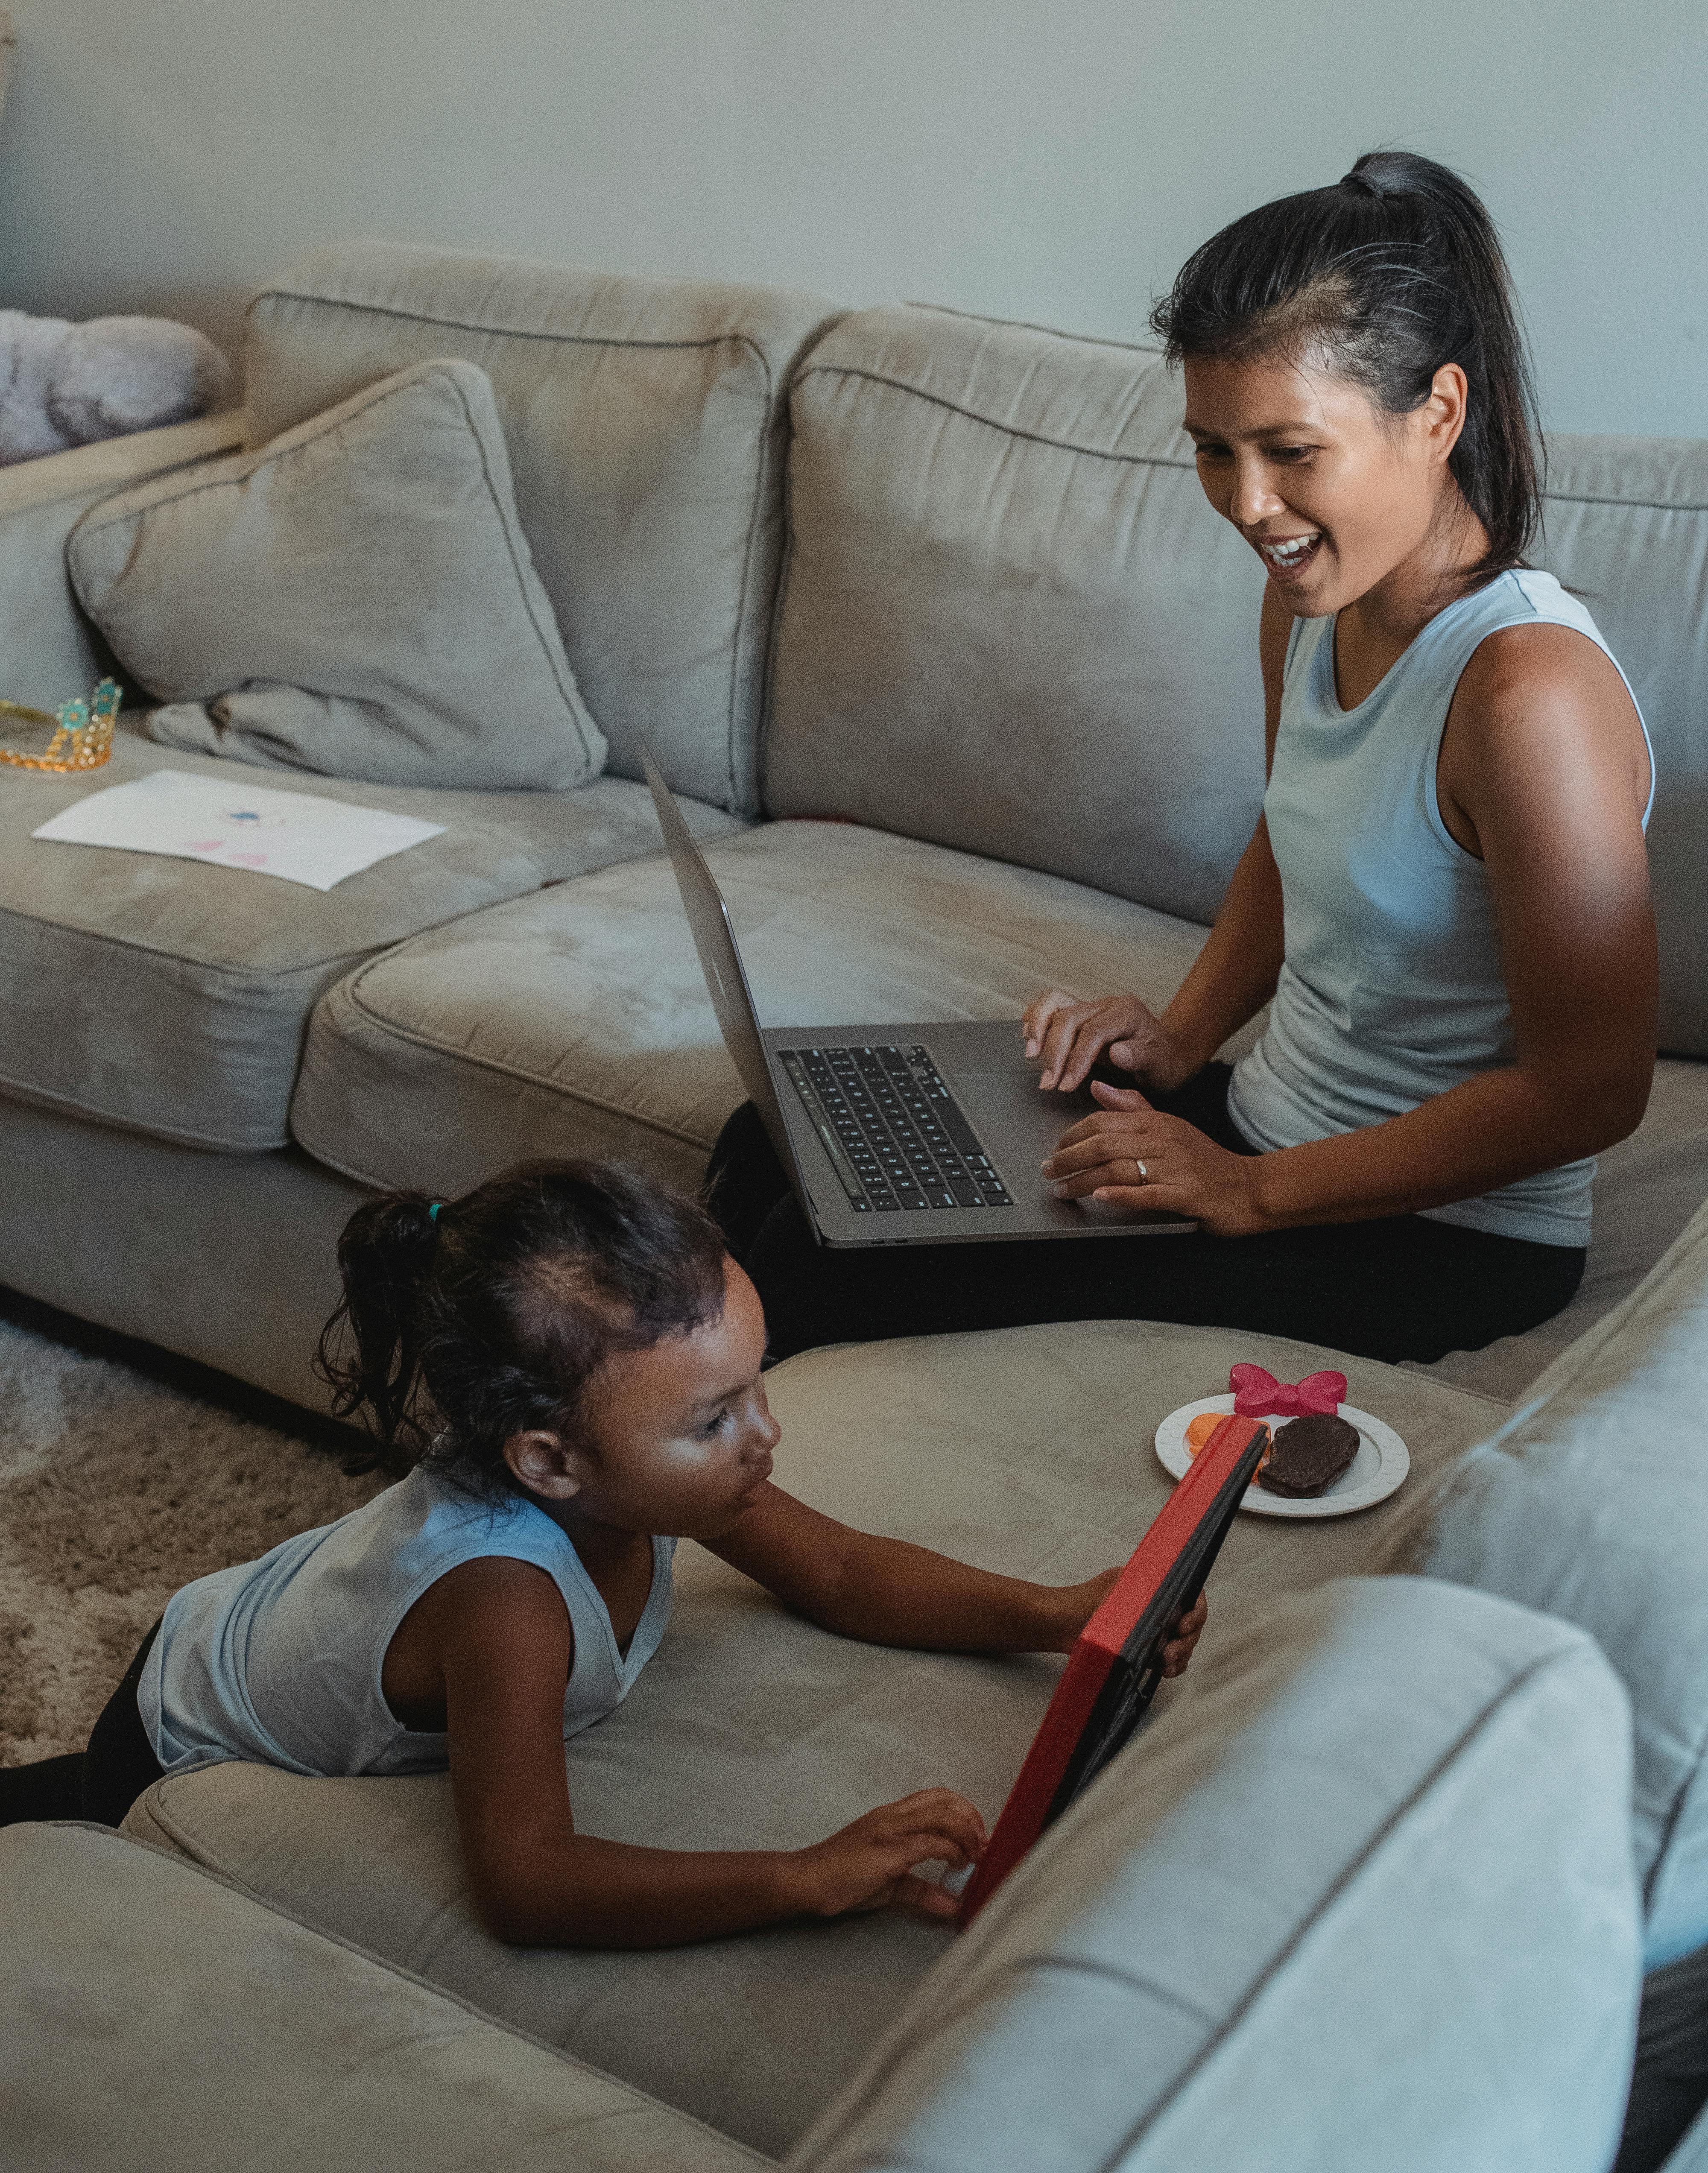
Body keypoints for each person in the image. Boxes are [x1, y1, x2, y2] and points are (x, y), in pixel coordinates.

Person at [711, 150, 1656, 1368]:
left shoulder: (1528, 696)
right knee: (778, 1140)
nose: (1252, 506)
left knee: (815, 1270)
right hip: (1265, 1125)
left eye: (1290, 451)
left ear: (1438, 414)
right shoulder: (1314, 600)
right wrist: (1181, 1038)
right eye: (1215, 451)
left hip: (1438, 1233)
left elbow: (1589, 1090)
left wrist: (1248, 1192)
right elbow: (1293, 831)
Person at [0, 1160, 1205, 1945]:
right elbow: (528, 1882)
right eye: (715, 1418)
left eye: (756, 1385)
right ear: (548, 1463)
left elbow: (841, 1573)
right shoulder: (505, 1600)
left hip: (263, 1614)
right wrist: (805, 1874)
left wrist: (1061, 1609)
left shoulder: (663, 1480)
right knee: (50, 1843)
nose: (767, 1434)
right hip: (181, 1728)